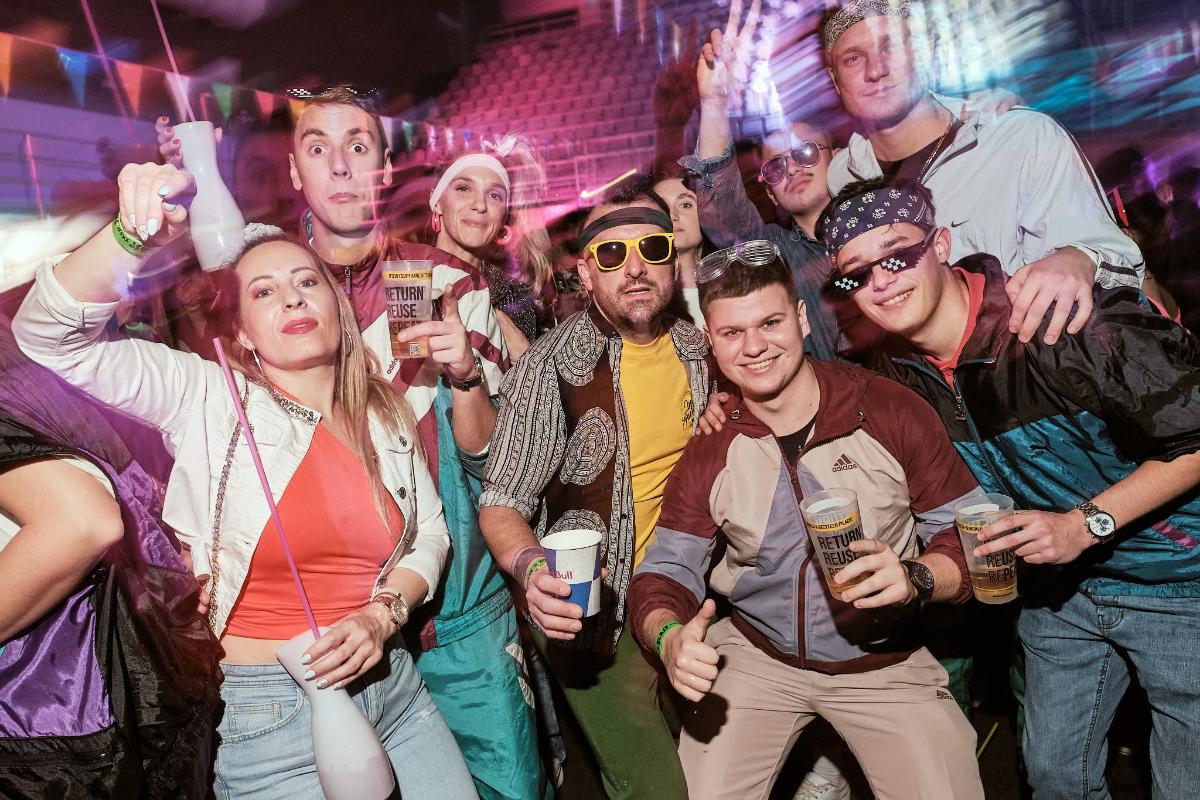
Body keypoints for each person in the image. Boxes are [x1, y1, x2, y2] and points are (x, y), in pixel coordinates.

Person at [13, 162, 477, 799]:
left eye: (306, 281)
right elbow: (49, 338)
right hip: (270, 719)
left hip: (395, 690)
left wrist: (382, 615)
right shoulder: (208, 397)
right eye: (263, 292)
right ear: (241, 332)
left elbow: (431, 536)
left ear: (338, 309)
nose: (292, 298)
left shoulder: (383, 410)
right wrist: (129, 236)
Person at [820, 177, 1200, 799]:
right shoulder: (899, 375)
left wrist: (1084, 525)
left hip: (1177, 579)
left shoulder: (1062, 320)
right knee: (1054, 779)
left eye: (897, 255)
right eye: (856, 275)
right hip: (1058, 595)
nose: (880, 282)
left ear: (941, 244)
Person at [625, 242, 985, 799]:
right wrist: (669, 638)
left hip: (882, 665)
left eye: (770, 323)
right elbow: (665, 572)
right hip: (756, 657)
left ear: (800, 317)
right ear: (711, 342)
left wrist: (918, 576)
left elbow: (975, 538)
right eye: (732, 332)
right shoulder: (712, 445)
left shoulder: (887, 409)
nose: (754, 347)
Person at [281, 87, 545, 799]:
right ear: (295, 169)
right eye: (318, 148)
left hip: (457, 608)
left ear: (384, 167)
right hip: (334, 622)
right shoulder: (270, 289)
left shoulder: (446, 278)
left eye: (358, 146)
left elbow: (490, 456)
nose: (340, 165)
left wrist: (466, 374)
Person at [479, 177, 713, 799]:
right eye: (612, 254)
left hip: (690, 593)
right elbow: (501, 501)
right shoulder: (549, 366)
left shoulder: (700, 349)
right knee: (657, 789)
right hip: (592, 614)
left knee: (719, 776)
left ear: (673, 259)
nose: (634, 269)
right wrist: (534, 573)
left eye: (652, 250)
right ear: (586, 272)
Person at [821, 0, 1144, 347]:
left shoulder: (1019, 137)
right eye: (854, 58)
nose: (876, 70)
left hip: (1029, 364)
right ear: (835, 79)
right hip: (917, 377)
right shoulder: (842, 176)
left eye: (892, 48)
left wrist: (1080, 258)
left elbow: (1117, 258)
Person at [0, 331, 224, 797]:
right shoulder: (36, 361)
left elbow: (83, 522)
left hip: (60, 710)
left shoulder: (32, 360)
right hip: (95, 702)